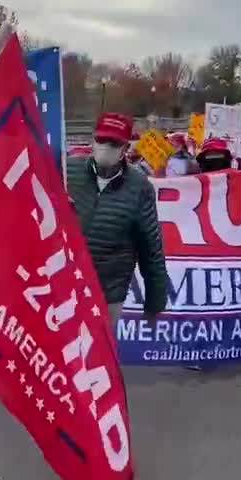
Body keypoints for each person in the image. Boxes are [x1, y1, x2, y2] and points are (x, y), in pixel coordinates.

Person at [66, 113, 171, 326]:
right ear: (93, 140)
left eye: (113, 143)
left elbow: (151, 249)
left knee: (98, 357)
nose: (105, 147)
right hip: (62, 287)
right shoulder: (67, 171)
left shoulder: (140, 188)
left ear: (125, 148)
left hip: (107, 295)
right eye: (102, 140)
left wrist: (155, 303)